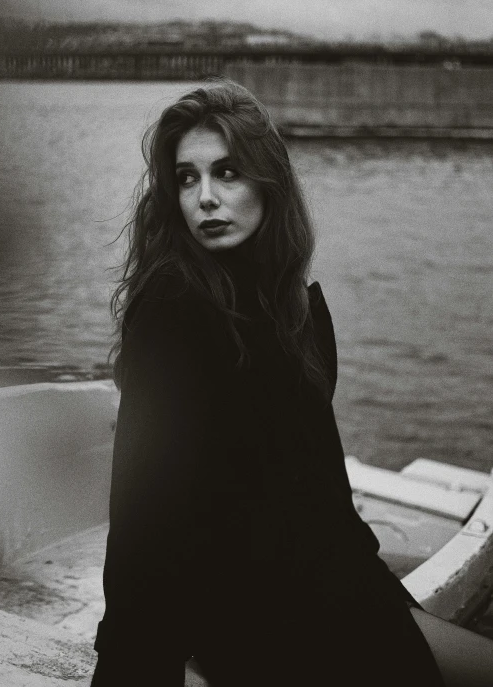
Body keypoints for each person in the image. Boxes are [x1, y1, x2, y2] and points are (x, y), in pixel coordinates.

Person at [91, 80, 493, 686]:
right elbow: (143, 504)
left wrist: (379, 595)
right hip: (253, 615)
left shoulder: (284, 306)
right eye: (187, 178)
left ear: (268, 180)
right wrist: (134, 662)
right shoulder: (176, 307)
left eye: (227, 173)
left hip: (327, 587)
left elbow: (319, 489)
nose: (204, 198)